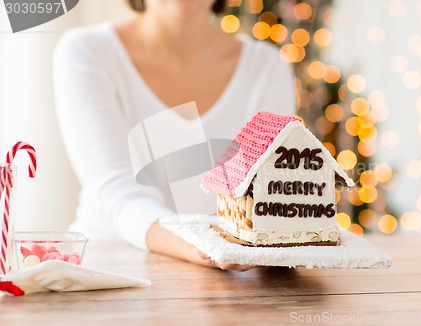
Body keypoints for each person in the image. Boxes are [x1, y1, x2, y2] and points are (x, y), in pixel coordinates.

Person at [53, 0, 296, 271]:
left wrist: (227, 248)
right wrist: (204, 245)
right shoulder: (87, 51)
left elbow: (268, 190)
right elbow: (115, 188)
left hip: (227, 281)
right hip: (107, 273)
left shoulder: (266, 67)